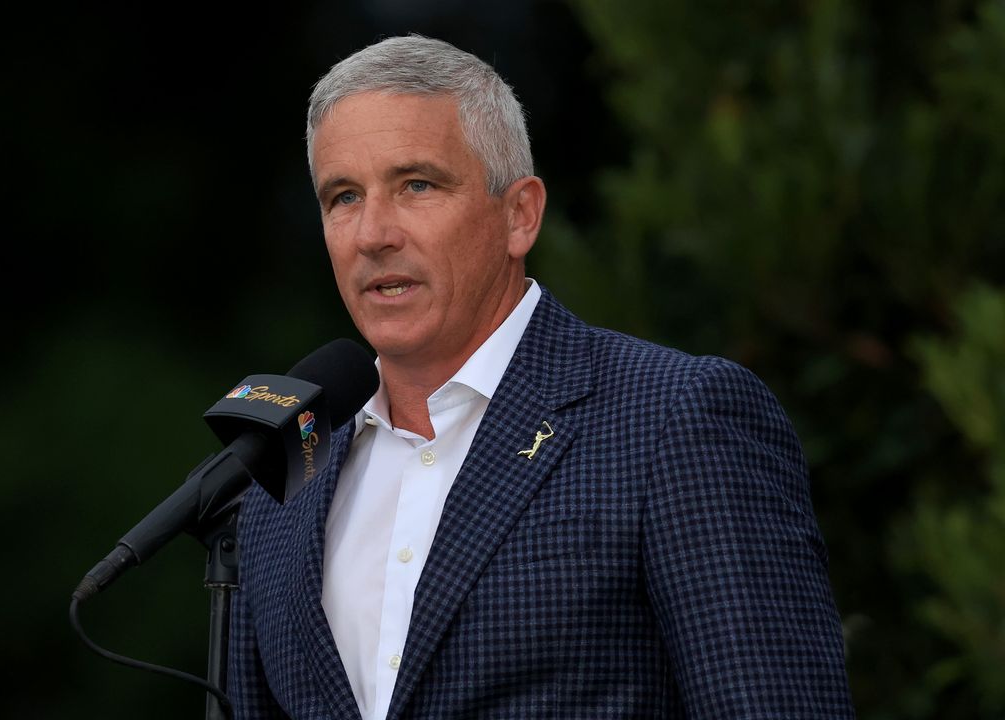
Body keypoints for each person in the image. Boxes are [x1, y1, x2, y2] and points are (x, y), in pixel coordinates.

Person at [228, 34, 854, 719]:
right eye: (344, 196)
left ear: (519, 214)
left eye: (417, 184)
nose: (373, 233)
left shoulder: (675, 417)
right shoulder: (284, 482)